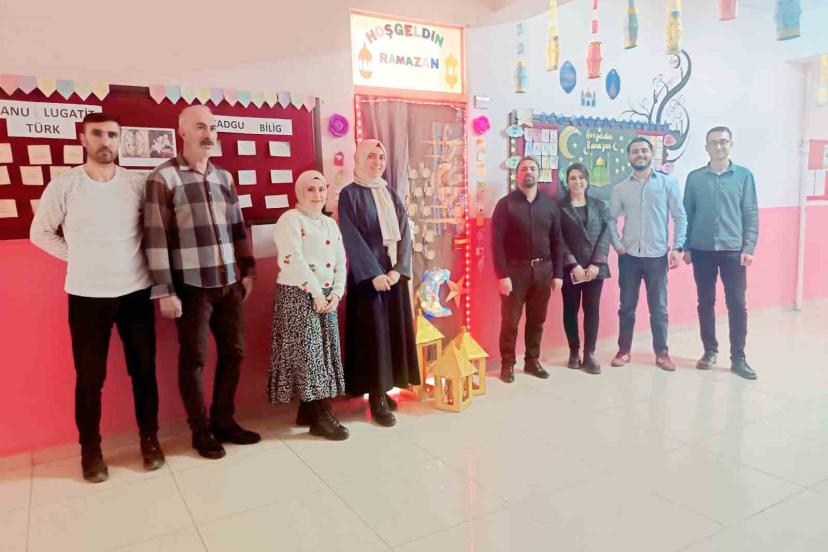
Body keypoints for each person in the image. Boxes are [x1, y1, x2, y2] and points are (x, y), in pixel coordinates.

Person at [30, 112, 164, 483]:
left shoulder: (137, 184)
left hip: (136, 292)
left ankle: (150, 440)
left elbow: (155, 231)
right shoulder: (65, 185)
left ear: (120, 140)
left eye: (112, 135)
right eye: (98, 134)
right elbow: (40, 233)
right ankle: (90, 450)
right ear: (83, 138)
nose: (106, 141)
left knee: (144, 372)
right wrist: (80, 257)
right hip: (87, 296)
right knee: (90, 378)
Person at [144, 105, 260, 459]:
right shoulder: (163, 178)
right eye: (199, 126)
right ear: (182, 133)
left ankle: (224, 421)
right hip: (191, 288)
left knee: (234, 354)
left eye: (212, 127)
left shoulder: (224, 177)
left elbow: (238, 228)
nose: (208, 133)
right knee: (194, 360)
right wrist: (164, 290)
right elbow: (155, 238)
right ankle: (201, 431)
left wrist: (249, 271)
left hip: (229, 284)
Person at [338, 139, 419, 427]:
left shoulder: (390, 193)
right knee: (373, 337)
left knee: (391, 334)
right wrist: (374, 274)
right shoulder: (349, 195)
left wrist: (398, 270)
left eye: (381, 157)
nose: (377, 162)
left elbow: (405, 233)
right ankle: (375, 396)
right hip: (368, 279)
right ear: (359, 159)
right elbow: (351, 237)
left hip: (393, 276)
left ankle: (386, 389)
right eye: (371, 156)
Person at [268, 170, 349, 440]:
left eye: (321, 189)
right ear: (300, 192)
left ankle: (308, 410)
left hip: (325, 296)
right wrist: (316, 293)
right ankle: (321, 416)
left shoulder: (330, 224)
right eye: (310, 190)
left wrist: (336, 293)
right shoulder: (290, 219)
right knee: (309, 355)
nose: (317, 195)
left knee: (322, 353)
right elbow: (292, 258)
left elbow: (340, 261)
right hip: (298, 294)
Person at [683, 126, 759, 380]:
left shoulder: (744, 176)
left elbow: (750, 213)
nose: (719, 146)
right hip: (701, 250)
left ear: (731, 144)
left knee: (737, 304)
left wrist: (749, 247)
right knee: (705, 302)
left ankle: (738, 358)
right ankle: (709, 351)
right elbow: (687, 214)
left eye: (723, 141)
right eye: (713, 142)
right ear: (706, 147)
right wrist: (686, 246)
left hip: (733, 251)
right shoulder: (695, 178)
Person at [609, 137, 687, 371]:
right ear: (629, 157)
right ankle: (623, 351)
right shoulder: (620, 188)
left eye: (644, 150)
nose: (640, 155)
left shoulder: (668, 183)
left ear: (652, 153)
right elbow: (610, 220)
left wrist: (678, 247)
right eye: (635, 151)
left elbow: (680, 217)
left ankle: (662, 353)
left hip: (657, 258)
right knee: (627, 307)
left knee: (659, 309)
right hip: (629, 258)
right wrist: (617, 244)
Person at [491, 156, 565, 383]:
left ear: (539, 174)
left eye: (533, 168)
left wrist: (558, 274)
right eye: (524, 169)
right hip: (514, 271)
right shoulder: (505, 204)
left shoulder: (550, 206)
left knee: (537, 320)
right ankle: (507, 364)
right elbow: (497, 243)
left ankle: (532, 361)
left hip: (543, 271)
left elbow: (558, 241)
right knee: (510, 322)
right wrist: (502, 275)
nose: (529, 172)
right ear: (517, 175)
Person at [558, 163, 612, 375]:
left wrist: (597, 263)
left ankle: (590, 353)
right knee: (570, 310)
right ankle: (574, 352)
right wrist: (573, 264)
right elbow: (558, 238)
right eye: (573, 178)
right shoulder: (560, 207)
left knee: (592, 310)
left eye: (581, 177)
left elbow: (606, 234)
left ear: (587, 181)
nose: (577, 182)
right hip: (570, 269)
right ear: (567, 182)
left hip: (594, 269)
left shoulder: (600, 205)